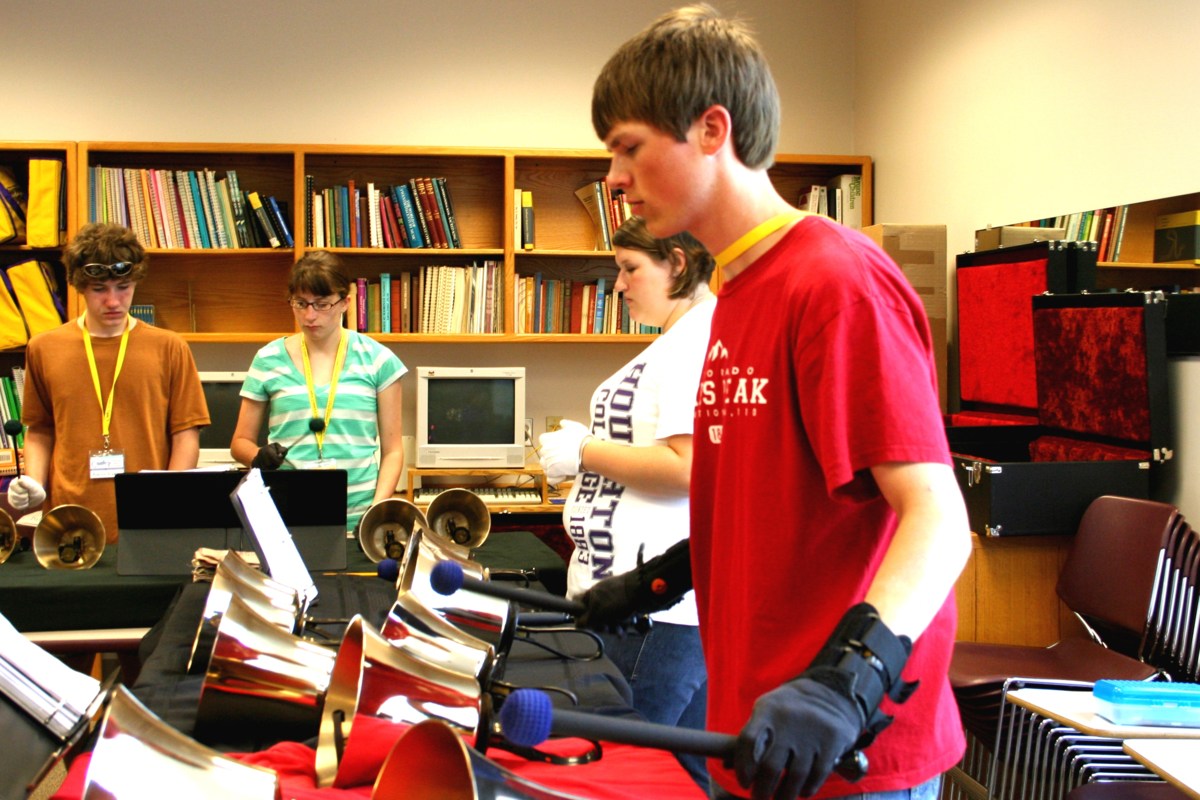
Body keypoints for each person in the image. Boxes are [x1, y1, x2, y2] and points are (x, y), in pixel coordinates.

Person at [578, 5, 973, 800]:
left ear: (712, 130)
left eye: (629, 148)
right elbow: (770, 498)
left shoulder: (836, 282)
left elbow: (938, 520)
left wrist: (848, 680)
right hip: (756, 732)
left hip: (844, 751)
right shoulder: (737, 291)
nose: (614, 179)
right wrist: (659, 581)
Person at [538, 215, 716, 790]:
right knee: (679, 777)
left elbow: (688, 469)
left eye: (629, 268)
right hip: (641, 607)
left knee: (624, 779)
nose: (618, 285)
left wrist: (585, 450)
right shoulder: (677, 339)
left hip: (655, 615)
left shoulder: (695, 342)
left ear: (678, 264)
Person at [8, 222, 210, 543]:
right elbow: (40, 429)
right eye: (100, 289)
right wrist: (34, 481)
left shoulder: (169, 347)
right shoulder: (44, 348)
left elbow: (185, 434)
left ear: (136, 281)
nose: (113, 301)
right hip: (69, 518)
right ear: (79, 286)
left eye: (123, 287)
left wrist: (169, 498)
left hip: (147, 517)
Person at [230, 251, 406, 534]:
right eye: (300, 303)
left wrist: (375, 512)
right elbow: (240, 442)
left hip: (358, 520)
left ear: (345, 302)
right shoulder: (267, 359)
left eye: (322, 304)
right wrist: (257, 456)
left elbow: (393, 451)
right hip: (285, 517)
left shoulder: (379, 360)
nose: (310, 315)